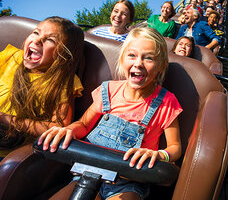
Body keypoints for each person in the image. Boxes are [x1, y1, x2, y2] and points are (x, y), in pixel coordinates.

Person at [38, 27, 182, 200]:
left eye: (149, 58)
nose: (138, 63)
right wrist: (69, 130)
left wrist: (159, 154)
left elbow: (175, 147)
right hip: (87, 172)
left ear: (161, 66)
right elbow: (83, 125)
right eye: (132, 55)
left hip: (130, 181)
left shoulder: (166, 102)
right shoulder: (108, 90)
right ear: (122, 60)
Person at [0, 17, 84, 158]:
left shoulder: (62, 81)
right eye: (36, 32)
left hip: (11, 152)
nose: (38, 40)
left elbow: (58, 126)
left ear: (63, 54)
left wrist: (7, 119)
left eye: (50, 40)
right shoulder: (12, 57)